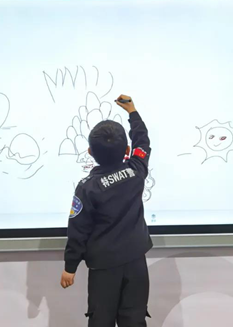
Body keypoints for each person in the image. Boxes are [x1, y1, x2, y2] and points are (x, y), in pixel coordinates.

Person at [61, 94, 153, 327]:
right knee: (135, 319)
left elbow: (78, 230)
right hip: (136, 262)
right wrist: (132, 112)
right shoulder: (136, 170)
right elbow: (143, 144)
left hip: (104, 268)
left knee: (101, 320)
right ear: (127, 150)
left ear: (90, 152)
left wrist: (70, 267)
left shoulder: (87, 187)